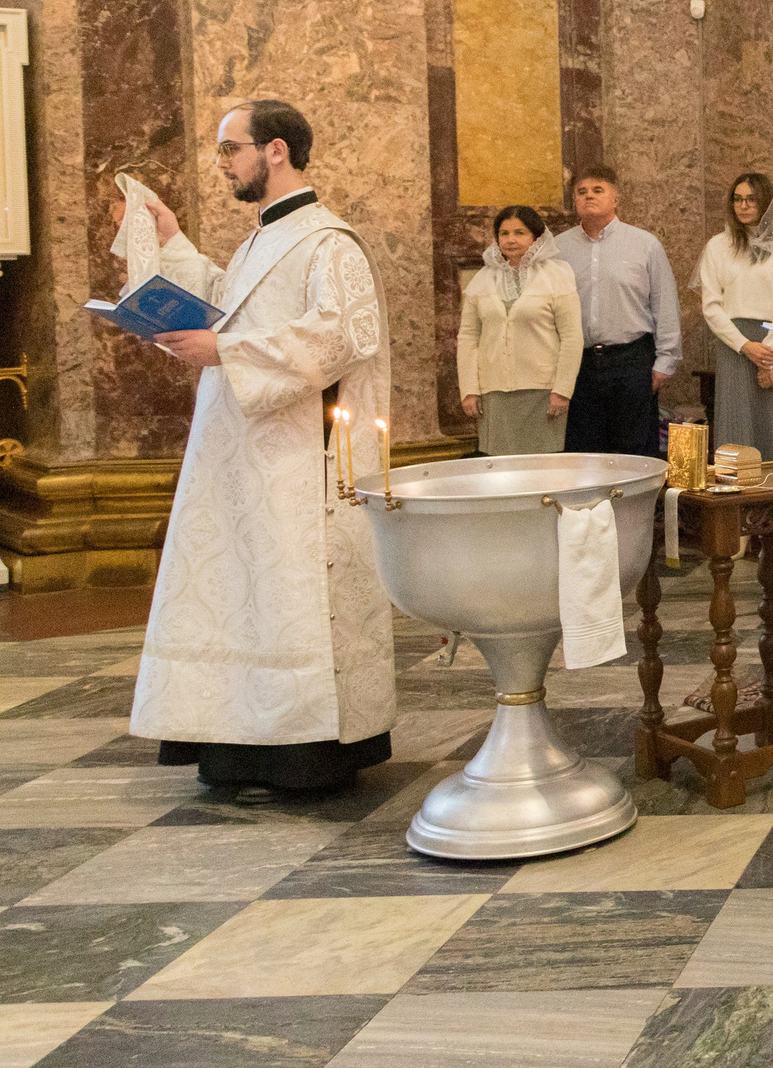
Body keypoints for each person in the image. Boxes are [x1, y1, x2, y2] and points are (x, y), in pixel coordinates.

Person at [123, 99, 396, 793]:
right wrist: (173, 240)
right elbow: (228, 303)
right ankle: (239, 744)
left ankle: (306, 752)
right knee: (245, 596)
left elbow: (341, 335)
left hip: (298, 461)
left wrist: (226, 348)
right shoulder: (257, 242)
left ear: (275, 151)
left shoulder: (330, 242)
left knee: (290, 598)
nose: (221, 163)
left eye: (229, 149)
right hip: (244, 454)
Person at [553, 165, 681, 458]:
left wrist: (666, 359)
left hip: (632, 360)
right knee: (584, 452)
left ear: (616, 198)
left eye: (598, 190)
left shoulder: (645, 245)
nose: (589, 197)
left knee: (635, 450)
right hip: (579, 364)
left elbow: (665, 303)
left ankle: (636, 506)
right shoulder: (559, 249)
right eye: (581, 192)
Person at [696, 172, 773, 461]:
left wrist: (768, 351)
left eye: (751, 199)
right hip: (736, 347)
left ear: (765, 202)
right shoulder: (717, 246)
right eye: (737, 199)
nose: (744, 205)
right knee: (739, 428)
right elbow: (711, 306)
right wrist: (745, 346)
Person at [457, 205, 581, 455]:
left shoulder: (557, 275)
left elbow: (572, 337)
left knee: (543, 469)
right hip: (494, 394)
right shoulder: (481, 279)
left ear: (535, 237)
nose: (511, 239)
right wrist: (469, 390)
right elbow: (468, 337)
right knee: (500, 470)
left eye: (519, 232)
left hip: (544, 394)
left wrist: (562, 391)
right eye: (504, 233)